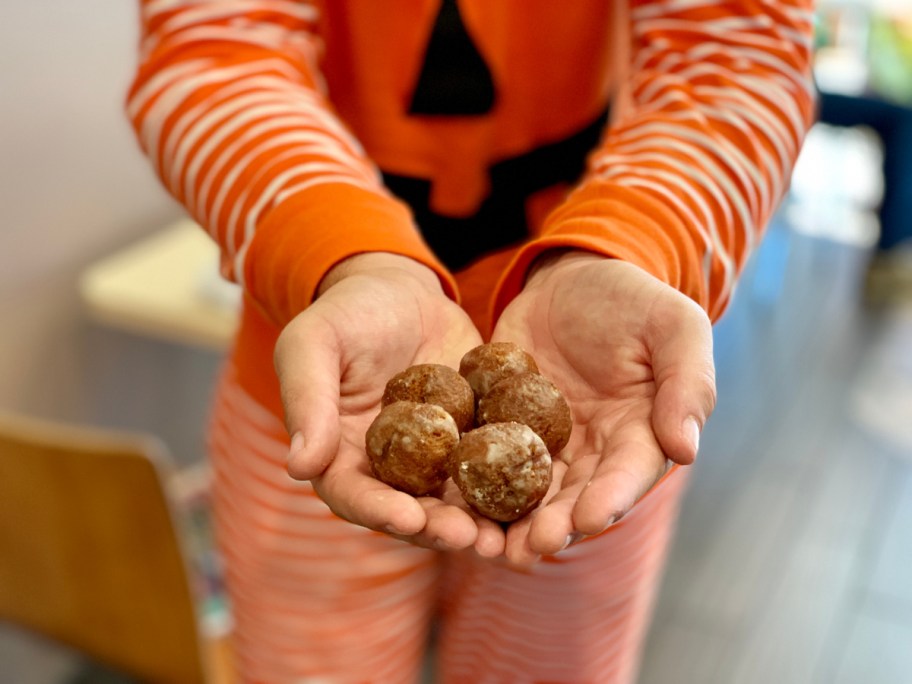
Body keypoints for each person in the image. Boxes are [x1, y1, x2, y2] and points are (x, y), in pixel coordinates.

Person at [127, 1, 815, 681]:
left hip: (602, 403)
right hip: (324, 382)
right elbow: (217, 51)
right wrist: (344, 252)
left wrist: (635, 240)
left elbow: (737, 56)